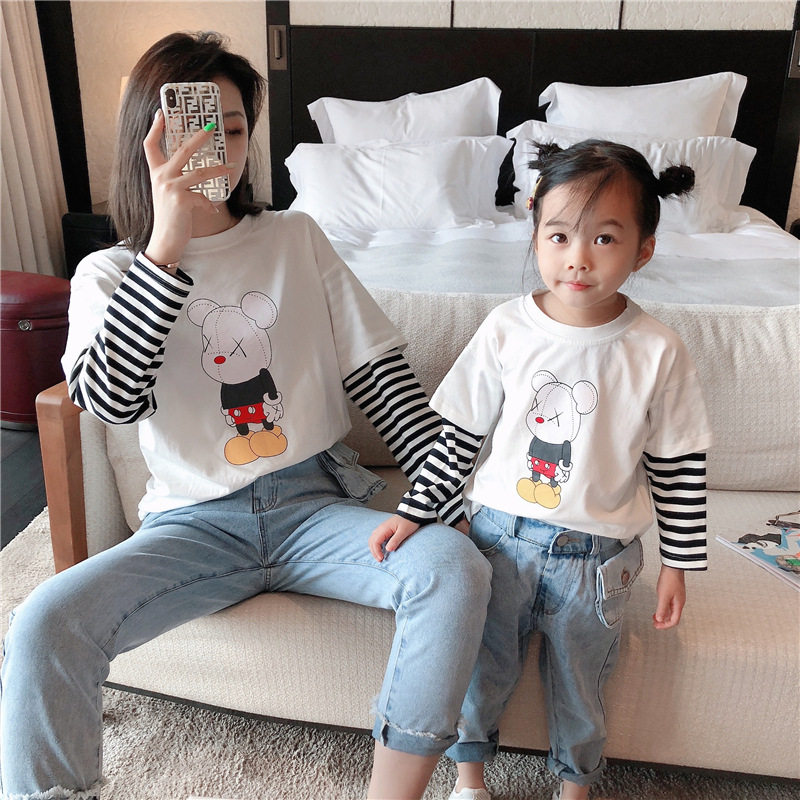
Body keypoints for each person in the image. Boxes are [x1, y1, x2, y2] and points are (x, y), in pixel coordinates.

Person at [0, 32, 492, 800]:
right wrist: (165, 249)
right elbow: (112, 401)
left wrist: (443, 496)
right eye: (195, 131)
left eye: (233, 129)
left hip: (314, 506)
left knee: (454, 567)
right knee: (42, 624)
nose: (218, 150)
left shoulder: (295, 238)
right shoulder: (110, 273)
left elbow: (383, 384)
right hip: (191, 525)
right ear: (148, 143)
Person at [369, 140, 712, 800]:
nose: (578, 258)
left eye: (604, 238)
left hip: (599, 560)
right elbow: (459, 438)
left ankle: (574, 788)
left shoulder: (658, 349)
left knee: (582, 687)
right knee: (480, 670)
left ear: (643, 249)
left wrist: (679, 564)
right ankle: (469, 780)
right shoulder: (506, 328)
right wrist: (414, 511)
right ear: (535, 235)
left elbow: (678, 464)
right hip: (498, 541)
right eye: (559, 236)